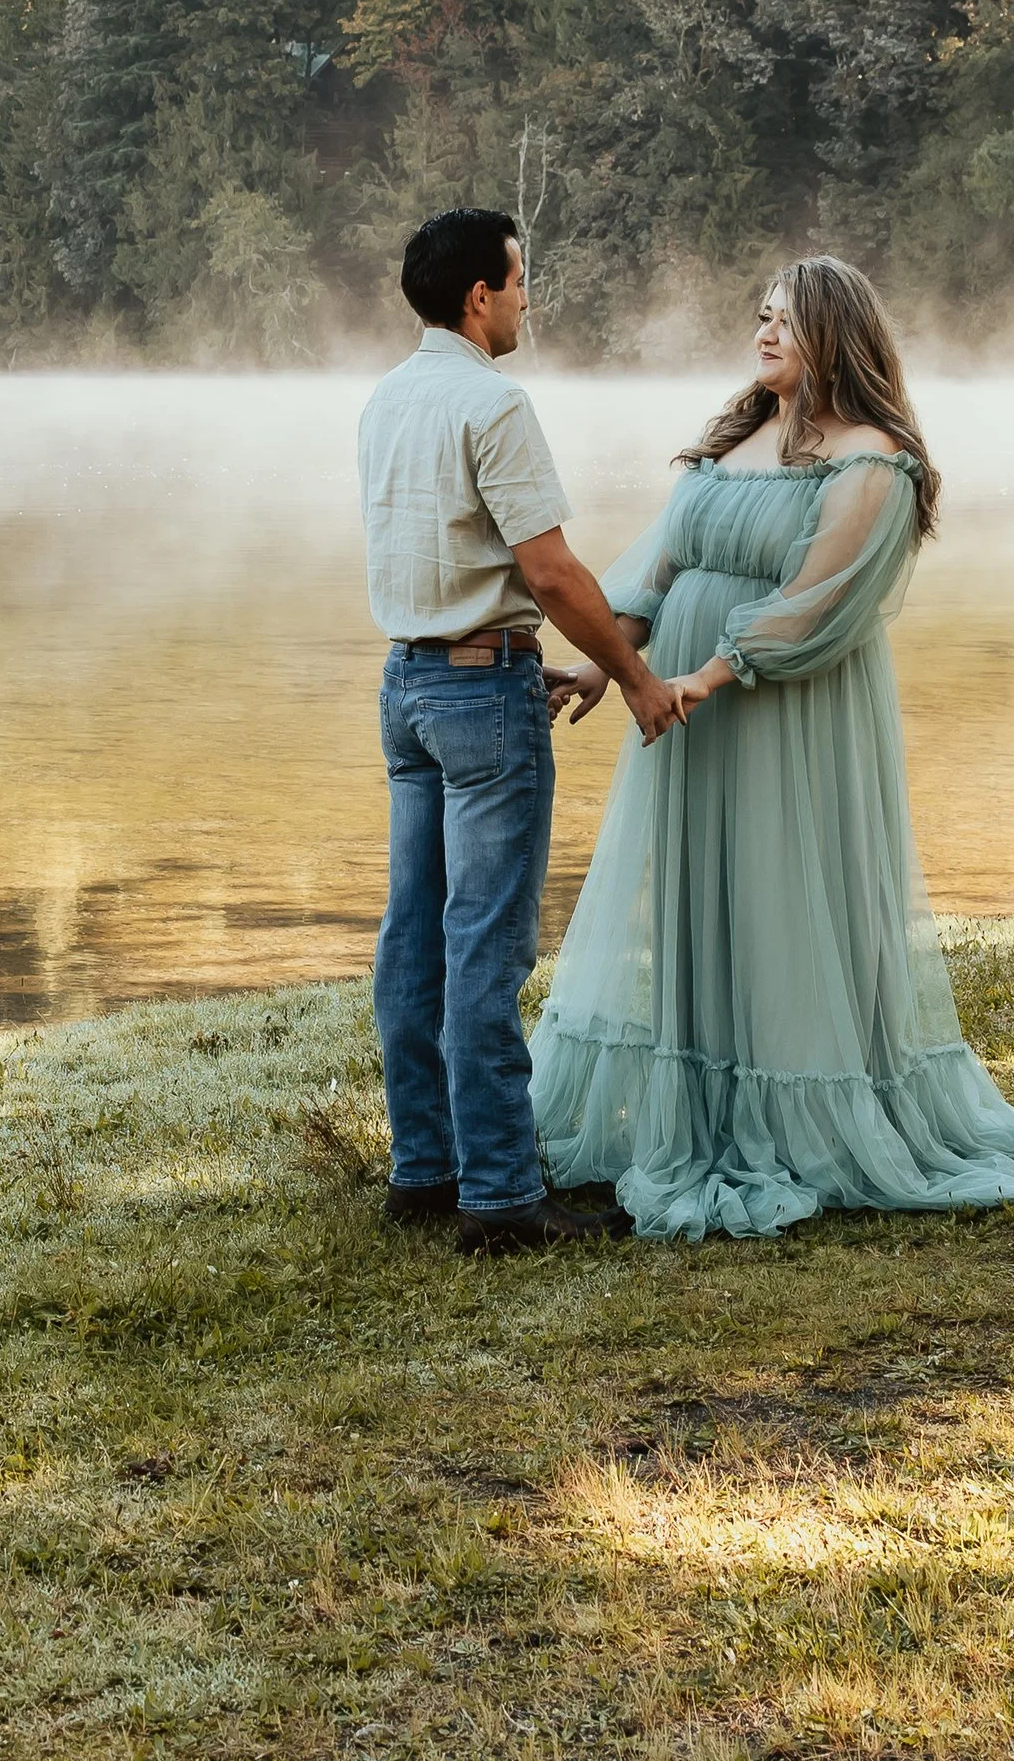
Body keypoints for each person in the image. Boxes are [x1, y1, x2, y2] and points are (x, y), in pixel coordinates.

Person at [529, 255, 1014, 1240]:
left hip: (777, 711)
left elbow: (817, 600)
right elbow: (660, 561)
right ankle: (699, 1106)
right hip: (684, 713)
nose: (762, 333)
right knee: (702, 899)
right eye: (759, 316)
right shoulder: (738, 435)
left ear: (835, 335)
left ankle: (801, 1113)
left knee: (781, 892)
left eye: (784, 322)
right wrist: (607, 662)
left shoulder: (871, 458)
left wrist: (705, 673)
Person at [359, 206, 684, 1255]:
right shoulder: (491, 405)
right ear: (478, 298)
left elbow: (439, 557)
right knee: (483, 947)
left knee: (413, 935)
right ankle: (500, 1197)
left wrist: (498, 648)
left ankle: (426, 1167)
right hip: (478, 701)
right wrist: (631, 673)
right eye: (518, 278)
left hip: (409, 685)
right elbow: (546, 570)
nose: (526, 297)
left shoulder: (386, 400)